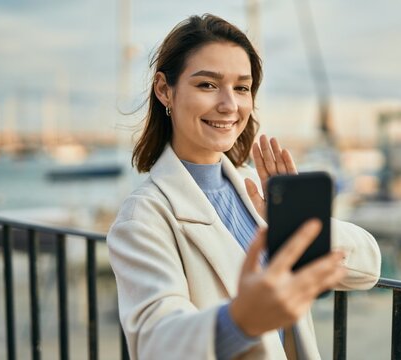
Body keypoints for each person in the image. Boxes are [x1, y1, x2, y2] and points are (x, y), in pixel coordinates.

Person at [107, 14, 381, 360]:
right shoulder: (144, 216)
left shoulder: (257, 188)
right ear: (164, 90)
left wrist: (296, 224)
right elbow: (154, 343)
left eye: (242, 87)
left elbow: (368, 268)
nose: (229, 105)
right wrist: (239, 321)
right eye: (207, 85)